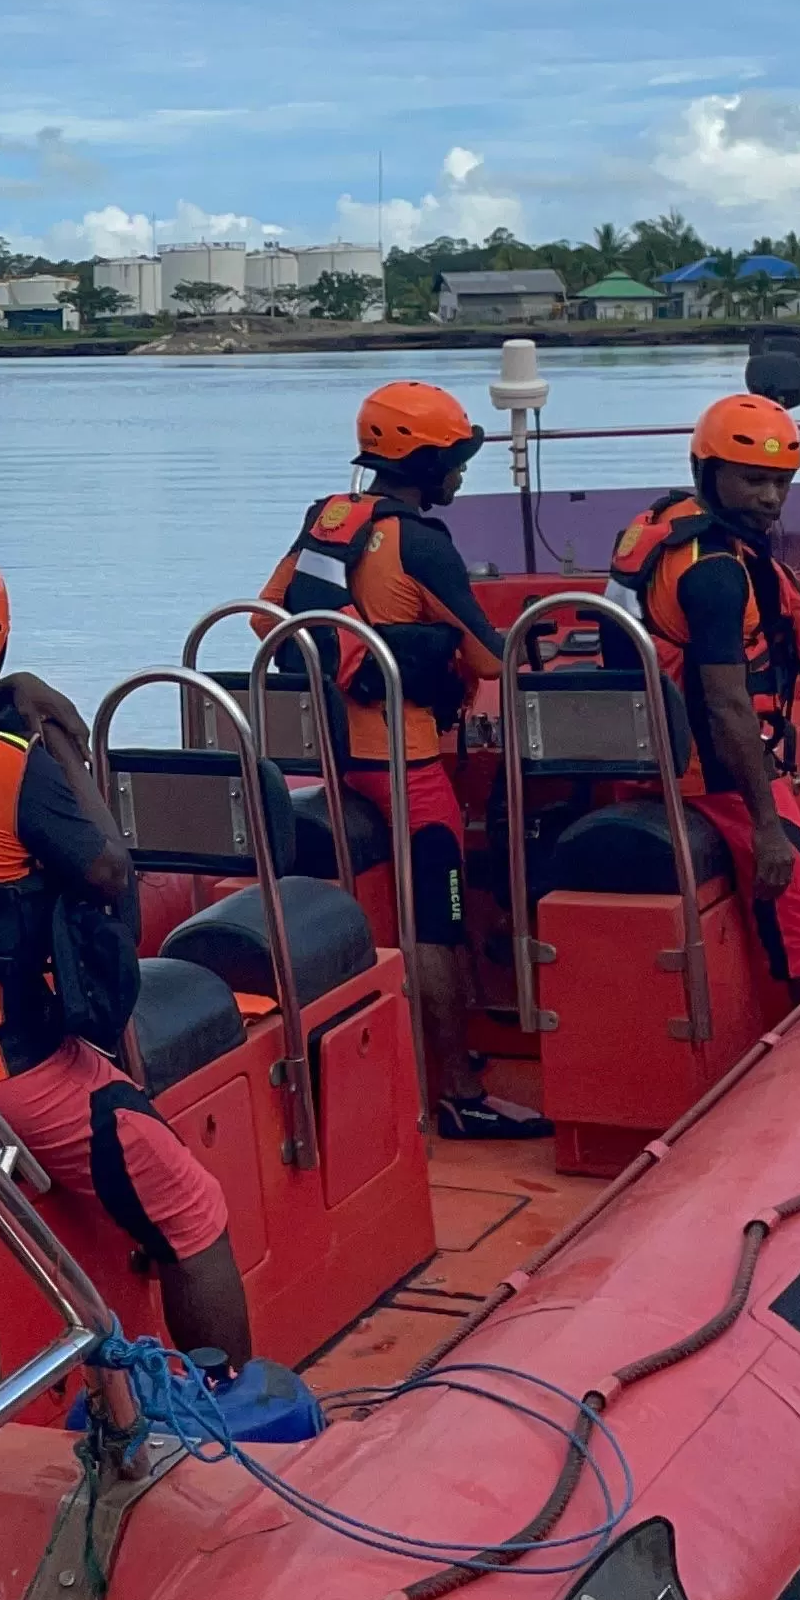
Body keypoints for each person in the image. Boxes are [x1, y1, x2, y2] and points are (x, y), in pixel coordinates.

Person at [0, 543, 258, 1368]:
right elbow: (108, 871)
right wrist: (57, 739)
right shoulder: (11, 762)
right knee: (192, 1210)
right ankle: (229, 1405)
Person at [258, 380, 544, 1141]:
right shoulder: (423, 543)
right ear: (424, 463)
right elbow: (487, 658)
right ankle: (459, 1095)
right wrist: (426, 647)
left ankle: (432, 1064)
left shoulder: (327, 522)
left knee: (424, 914)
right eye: (454, 459)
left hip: (334, 754)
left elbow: (268, 614)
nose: (461, 473)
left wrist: (361, 645)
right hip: (406, 765)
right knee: (438, 923)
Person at [609, 395, 800, 1003]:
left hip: (645, 756)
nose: (770, 498)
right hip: (710, 774)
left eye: (781, 482)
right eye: (753, 481)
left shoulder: (667, 528)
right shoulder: (715, 571)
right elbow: (727, 705)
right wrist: (766, 825)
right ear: (707, 472)